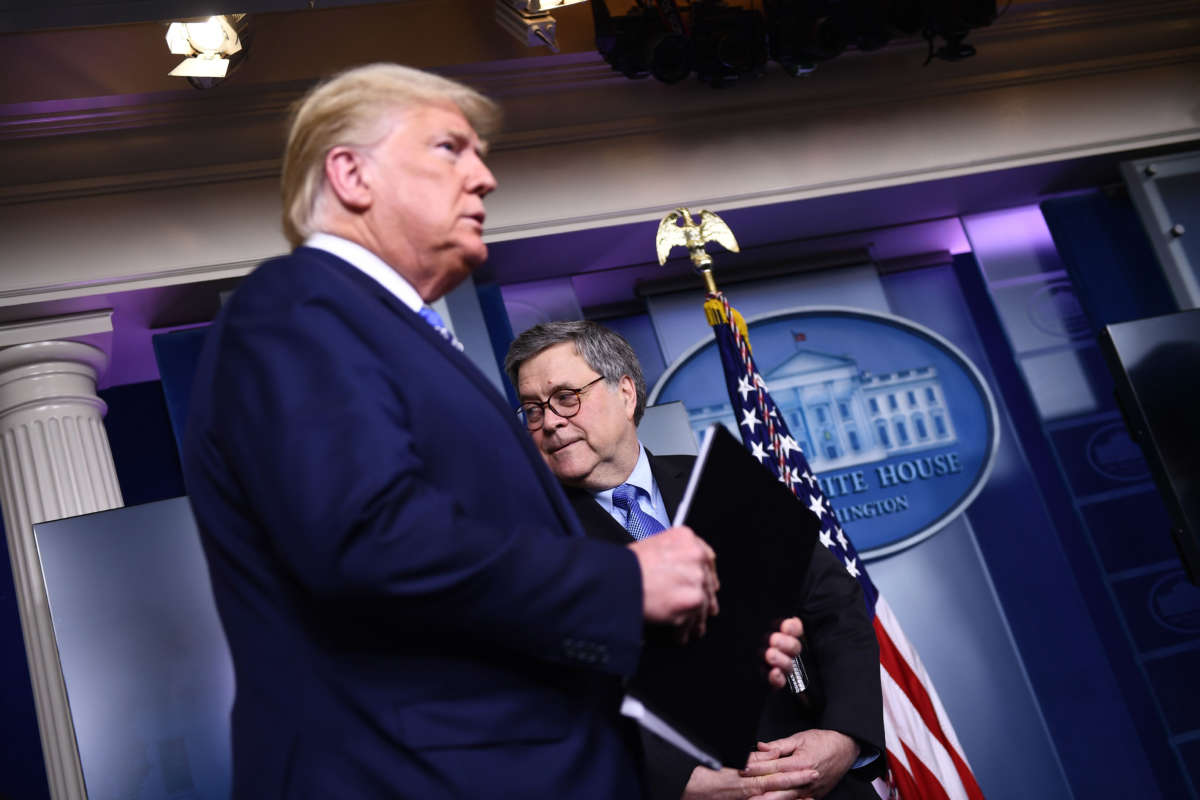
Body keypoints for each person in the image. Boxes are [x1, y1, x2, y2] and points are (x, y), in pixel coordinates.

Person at [181, 63, 732, 799]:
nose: (484, 177)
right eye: (449, 149)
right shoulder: (296, 307)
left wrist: (673, 636)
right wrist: (624, 579)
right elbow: (368, 542)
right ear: (350, 174)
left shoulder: (398, 334)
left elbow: (468, 604)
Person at [505, 320, 887, 800]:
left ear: (625, 394)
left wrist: (844, 738)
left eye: (566, 397)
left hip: (819, 780)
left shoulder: (725, 480)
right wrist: (676, 785)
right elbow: (549, 698)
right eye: (533, 410)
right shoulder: (532, 546)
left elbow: (837, 608)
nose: (551, 422)